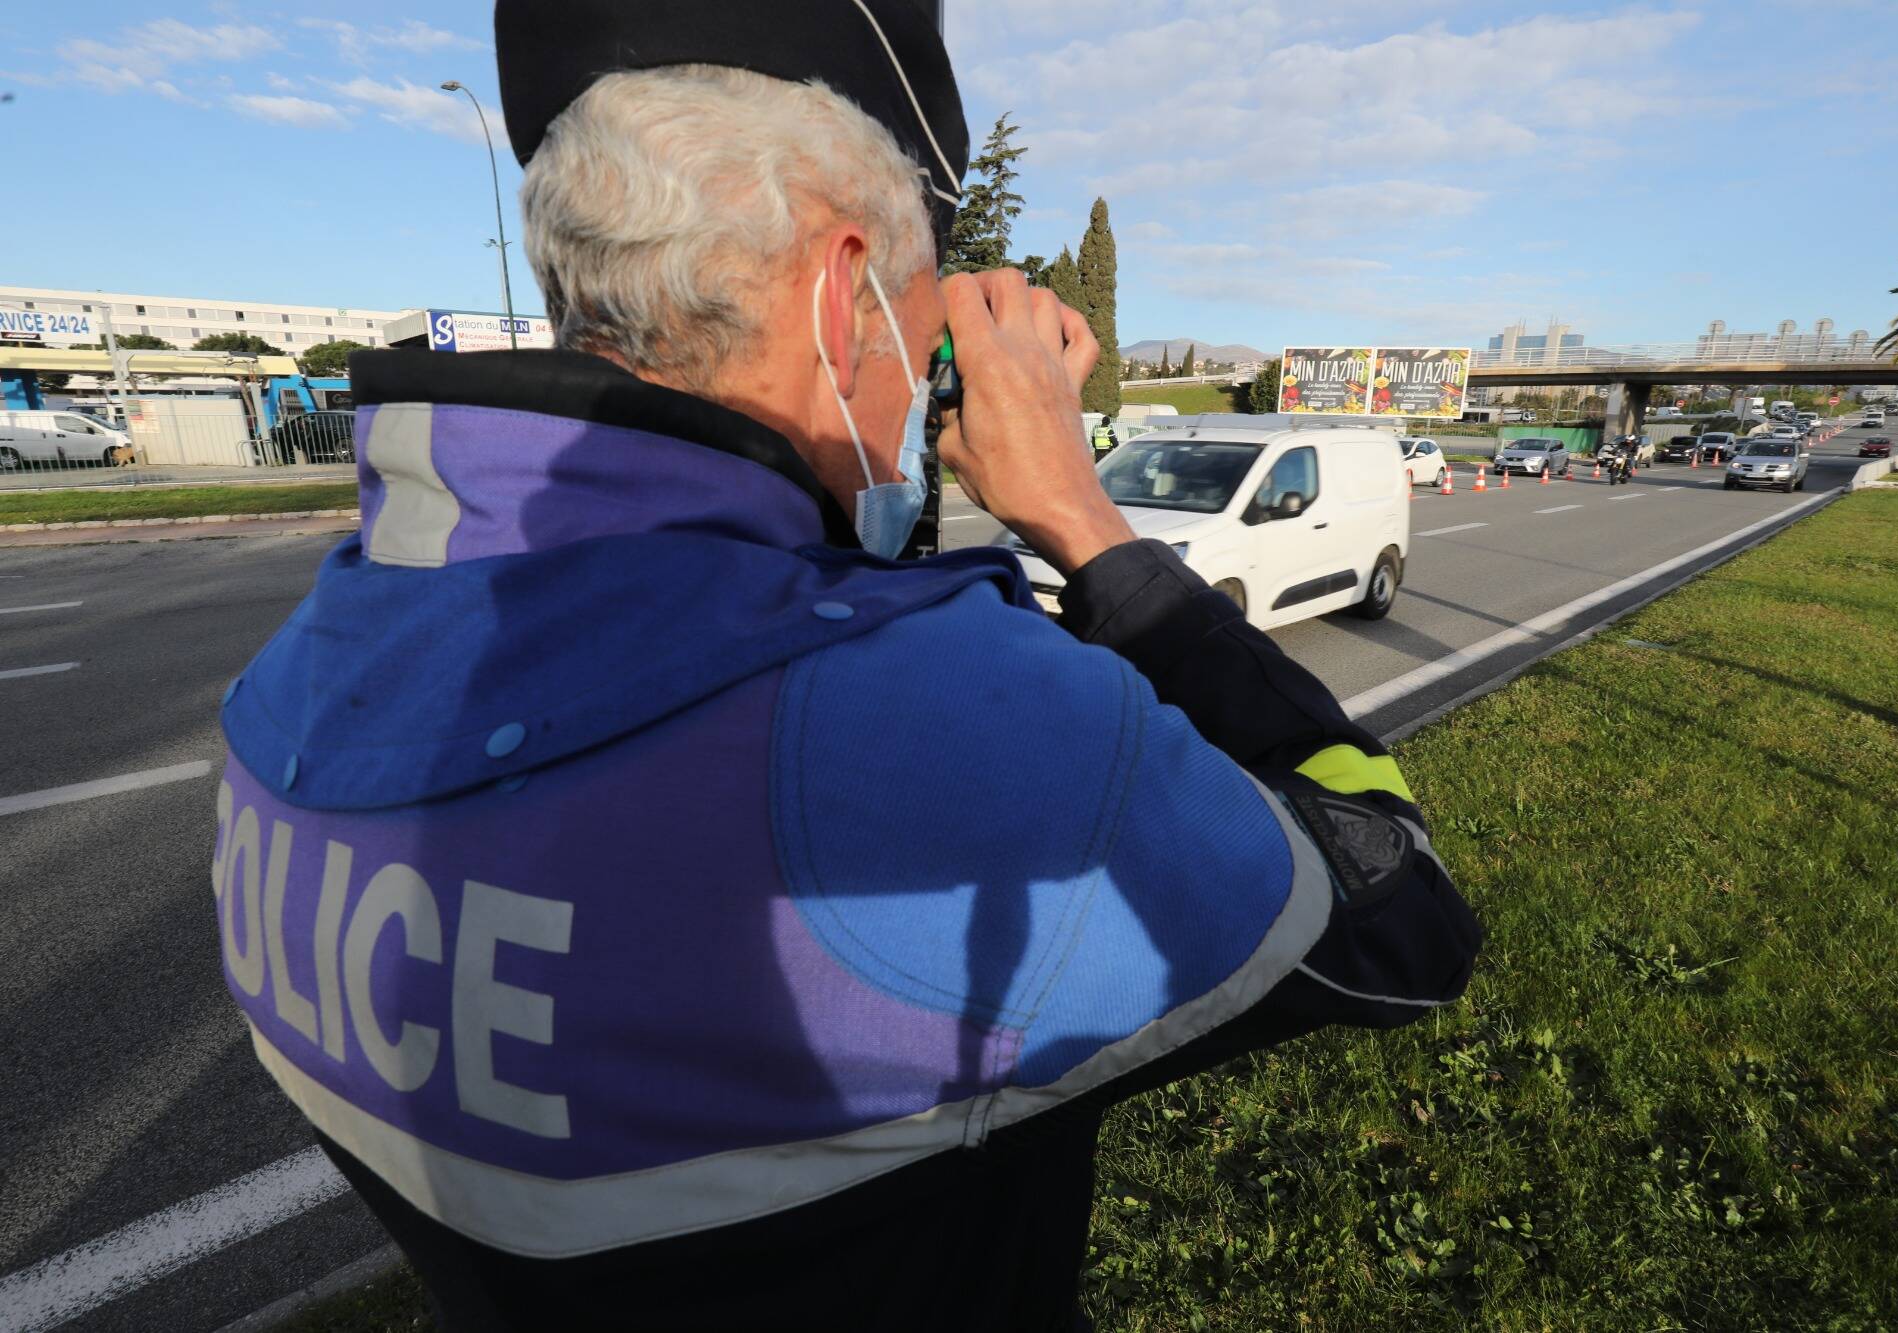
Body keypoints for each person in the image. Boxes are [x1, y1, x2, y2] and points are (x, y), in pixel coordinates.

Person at [208, 2, 1481, 1328]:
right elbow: (1401, 919)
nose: (931, 401)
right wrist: (1084, 524)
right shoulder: (943, 736)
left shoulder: (288, 689)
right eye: (926, 343)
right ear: (840, 289)